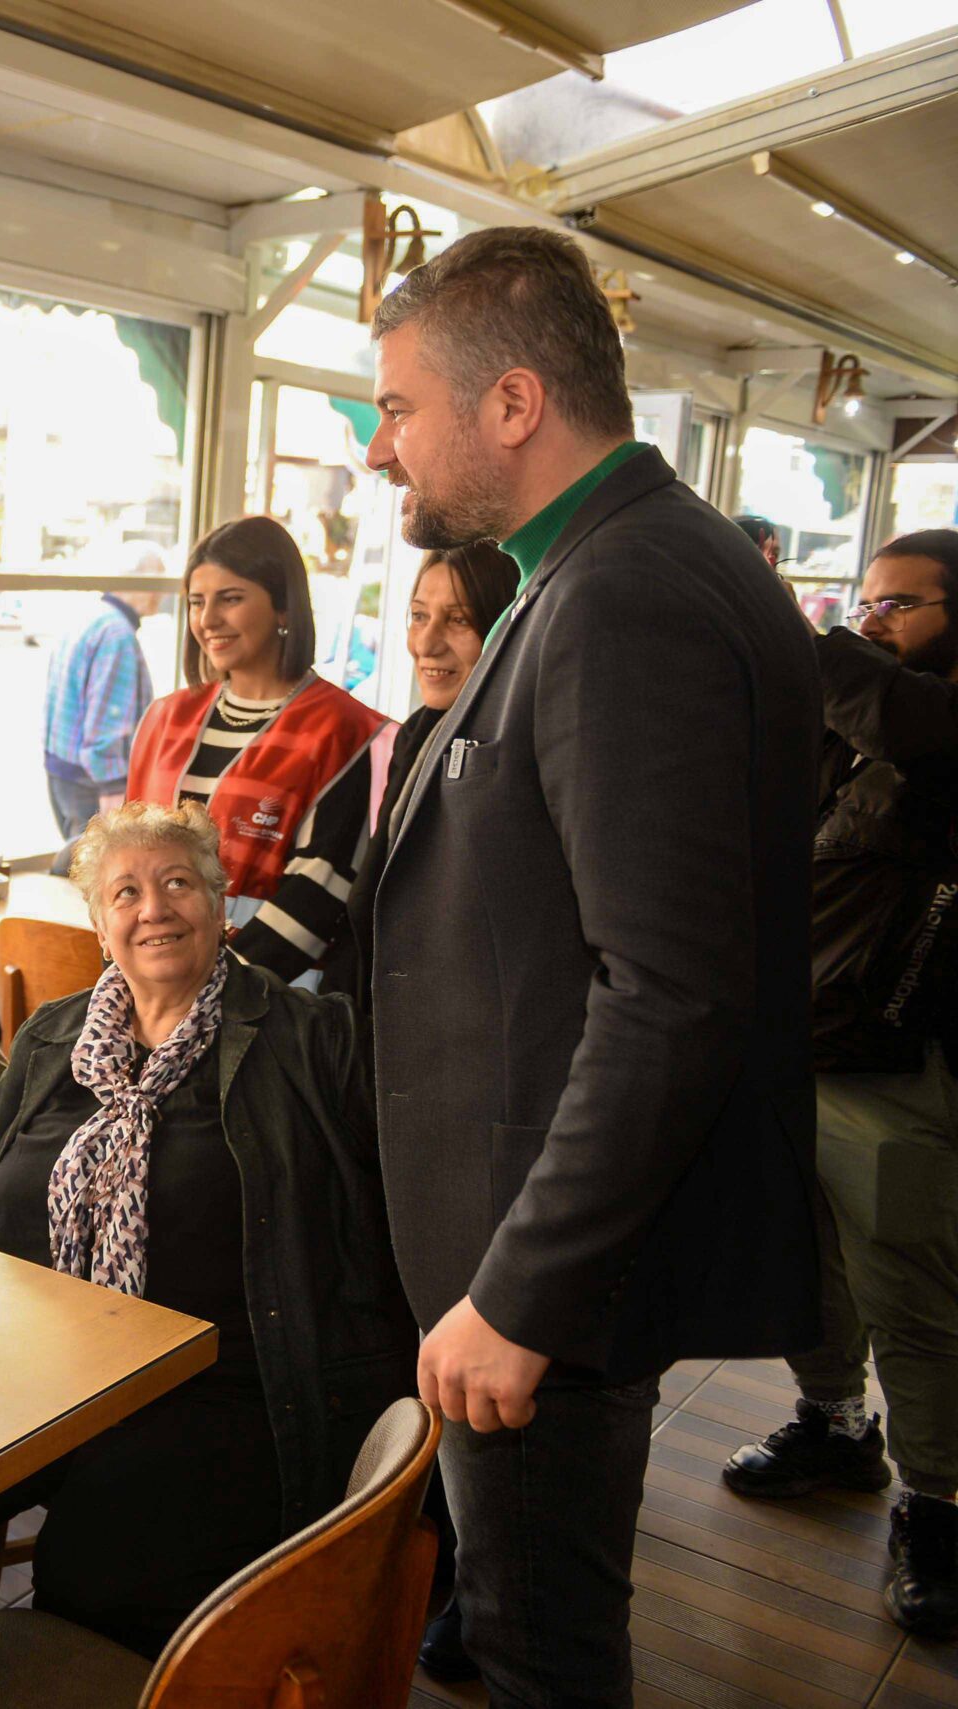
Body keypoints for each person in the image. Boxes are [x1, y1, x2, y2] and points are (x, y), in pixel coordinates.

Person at [364, 225, 822, 1708]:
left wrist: (522, 1294)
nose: (384, 453)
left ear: (509, 406)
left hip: (542, 1262)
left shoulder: (623, 595)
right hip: (528, 1234)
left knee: (543, 1648)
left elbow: (671, 991)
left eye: (397, 409)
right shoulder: (605, 568)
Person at [0, 802, 412, 1709]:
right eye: (125, 891)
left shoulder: (313, 1040)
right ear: (99, 921)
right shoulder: (55, 1035)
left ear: (222, 905)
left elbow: (409, 1187)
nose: (153, 908)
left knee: (99, 1566)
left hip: (218, 1387)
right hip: (33, 1371)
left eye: (177, 883)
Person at [722, 529, 958, 1636]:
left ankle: (940, 1502)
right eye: (862, 603)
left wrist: (782, 615)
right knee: (798, 1248)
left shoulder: (930, 720)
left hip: (895, 1060)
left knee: (907, 1286)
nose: (871, 622)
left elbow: (895, 714)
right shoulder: (846, 720)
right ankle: (833, 1423)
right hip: (795, 1035)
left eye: (899, 606)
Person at [124, 517, 388, 980]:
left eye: (231, 599)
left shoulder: (342, 729)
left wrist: (217, 990)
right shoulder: (165, 719)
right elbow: (122, 861)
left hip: (270, 993)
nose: (208, 621)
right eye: (197, 602)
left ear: (283, 609)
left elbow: (319, 889)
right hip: (152, 987)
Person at [324, 541, 516, 1013]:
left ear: (503, 628)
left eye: (458, 620)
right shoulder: (419, 732)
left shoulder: (514, 754)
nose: (426, 643)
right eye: (418, 616)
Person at [41, 582, 155, 865]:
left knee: (78, 867)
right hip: (91, 782)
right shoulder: (117, 634)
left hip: (62, 771)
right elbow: (110, 718)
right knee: (95, 877)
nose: (159, 598)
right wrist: (114, 789)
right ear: (141, 584)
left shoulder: (89, 617)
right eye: (157, 587)